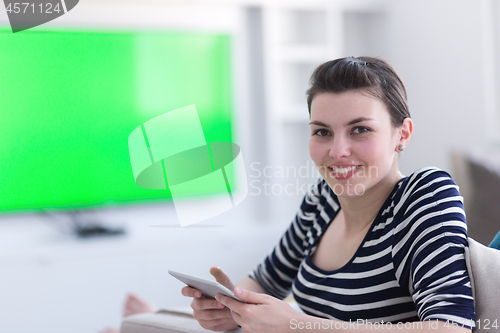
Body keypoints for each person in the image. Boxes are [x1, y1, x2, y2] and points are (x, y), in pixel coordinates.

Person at [181, 57, 475, 332]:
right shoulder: (322, 200)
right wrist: (228, 305)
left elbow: (451, 327)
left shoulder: (425, 194)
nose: (337, 152)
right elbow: (264, 281)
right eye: (322, 132)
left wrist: (299, 325)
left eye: (360, 129)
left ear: (403, 134)